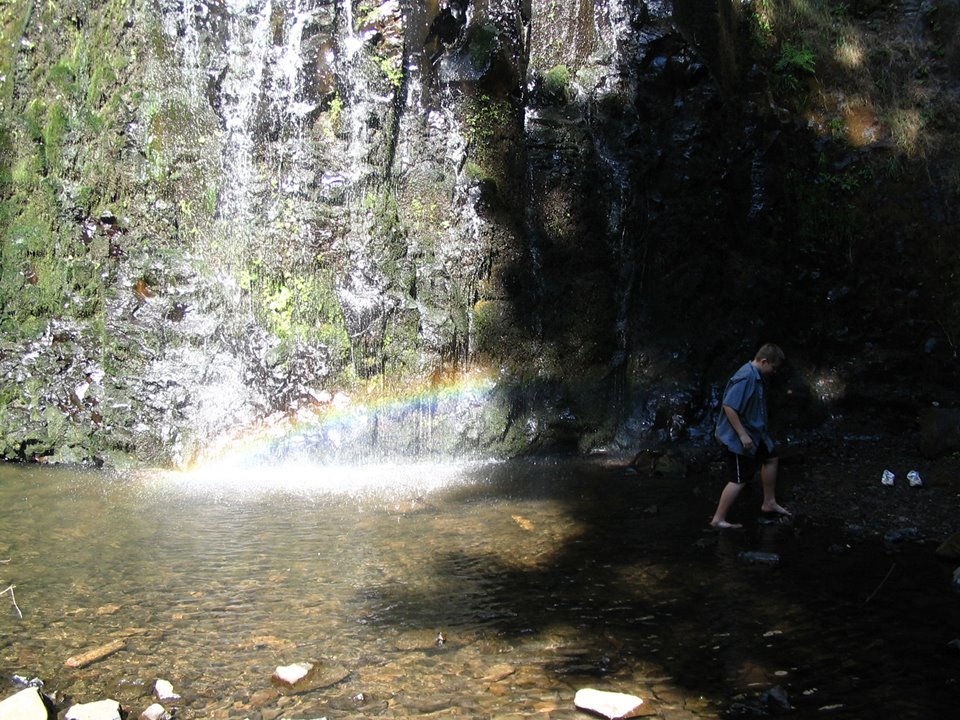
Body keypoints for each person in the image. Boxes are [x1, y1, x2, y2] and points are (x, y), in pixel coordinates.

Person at [710, 343, 791, 529]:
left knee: (771, 458)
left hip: (756, 433)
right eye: (773, 367)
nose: (774, 372)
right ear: (764, 361)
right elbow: (729, 406)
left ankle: (769, 502)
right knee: (739, 478)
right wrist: (743, 435)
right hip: (738, 438)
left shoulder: (756, 375)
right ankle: (718, 519)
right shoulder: (746, 377)